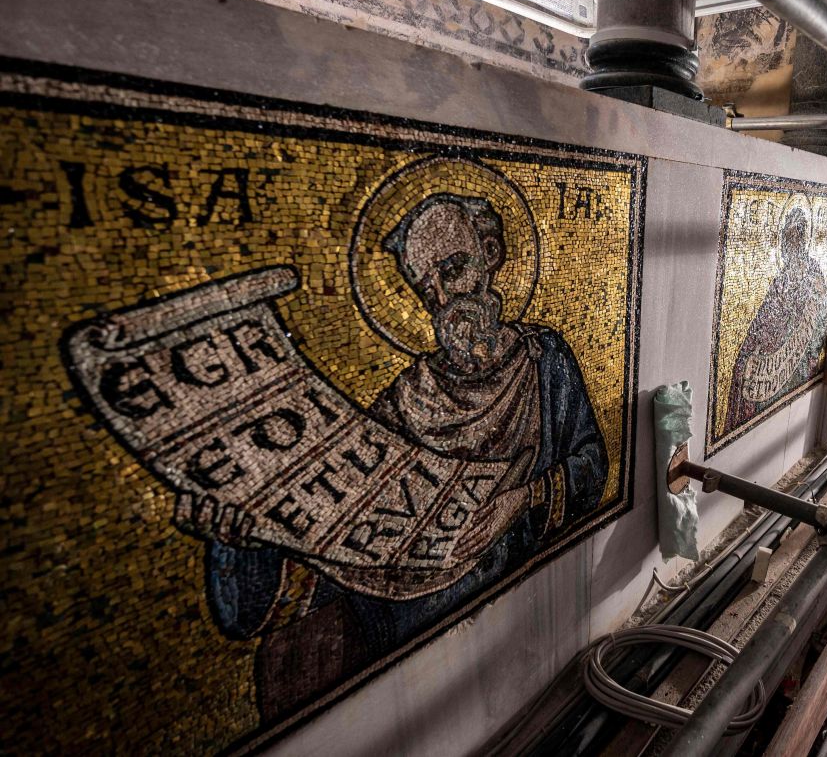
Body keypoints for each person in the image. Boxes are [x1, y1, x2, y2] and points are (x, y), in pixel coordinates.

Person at [177, 193, 607, 720]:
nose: (447, 296)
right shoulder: (409, 395)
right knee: (296, 644)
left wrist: (522, 500)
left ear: (490, 253)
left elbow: (592, 466)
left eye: (455, 268)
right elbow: (345, 510)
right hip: (404, 589)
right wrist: (245, 526)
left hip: (505, 586)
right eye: (429, 290)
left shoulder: (544, 360)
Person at [725, 207, 827, 434]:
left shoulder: (811, 272)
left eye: (791, 237)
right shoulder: (784, 276)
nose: (787, 243)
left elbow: (819, 320)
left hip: (795, 360)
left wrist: (784, 334)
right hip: (775, 348)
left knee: (747, 369)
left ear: (801, 238)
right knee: (740, 365)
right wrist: (754, 344)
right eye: (785, 237)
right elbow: (764, 318)